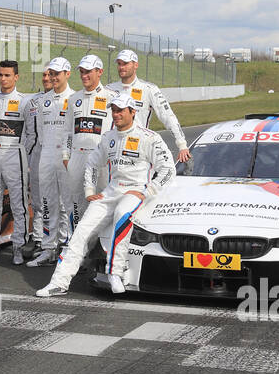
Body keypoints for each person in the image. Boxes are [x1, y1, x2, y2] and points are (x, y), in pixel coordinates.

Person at [35, 92, 175, 296]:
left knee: (121, 214)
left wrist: (148, 190)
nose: (116, 114)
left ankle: (115, 273)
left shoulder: (149, 138)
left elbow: (168, 169)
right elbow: (92, 163)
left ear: (133, 112)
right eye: (114, 110)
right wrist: (90, 190)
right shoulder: (108, 137)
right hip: (111, 191)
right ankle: (59, 282)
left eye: (121, 110)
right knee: (81, 231)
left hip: (135, 191)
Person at [59, 54, 111, 253]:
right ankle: (78, 249)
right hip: (77, 157)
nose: (84, 75)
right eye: (82, 71)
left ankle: (101, 248)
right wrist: (66, 156)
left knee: (103, 205)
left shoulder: (111, 97)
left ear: (99, 72)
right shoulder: (73, 99)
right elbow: (67, 130)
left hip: (101, 160)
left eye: (88, 71)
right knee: (77, 206)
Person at [26, 57, 75, 267]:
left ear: (67, 74)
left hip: (66, 157)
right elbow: (40, 132)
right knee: (47, 204)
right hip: (46, 156)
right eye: (51, 73)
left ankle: (67, 247)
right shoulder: (42, 100)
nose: (53, 77)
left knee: (67, 205)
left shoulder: (75, 98)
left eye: (58, 73)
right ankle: (48, 248)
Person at [0, 60, 35, 263]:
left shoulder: (25, 101)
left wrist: (27, 157)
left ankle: (18, 246)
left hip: (15, 156)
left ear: (16, 77)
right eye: (1, 75)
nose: (3, 79)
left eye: (7, 75)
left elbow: (31, 133)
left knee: (18, 204)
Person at [106, 49, 192, 164]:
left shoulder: (148, 89)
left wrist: (182, 144)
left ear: (136, 65)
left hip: (138, 148)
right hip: (113, 148)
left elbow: (167, 116)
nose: (121, 67)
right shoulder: (108, 89)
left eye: (125, 63)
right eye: (119, 64)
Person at [23, 67, 55, 262]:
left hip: (55, 154)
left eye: (50, 75)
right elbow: (26, 132)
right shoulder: (32, 101)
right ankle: (38, 238)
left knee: (56, 201)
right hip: (35, 154)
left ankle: (57, 239)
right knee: (36, 200)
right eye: (43, 75)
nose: (46, 78)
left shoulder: (67, 98)